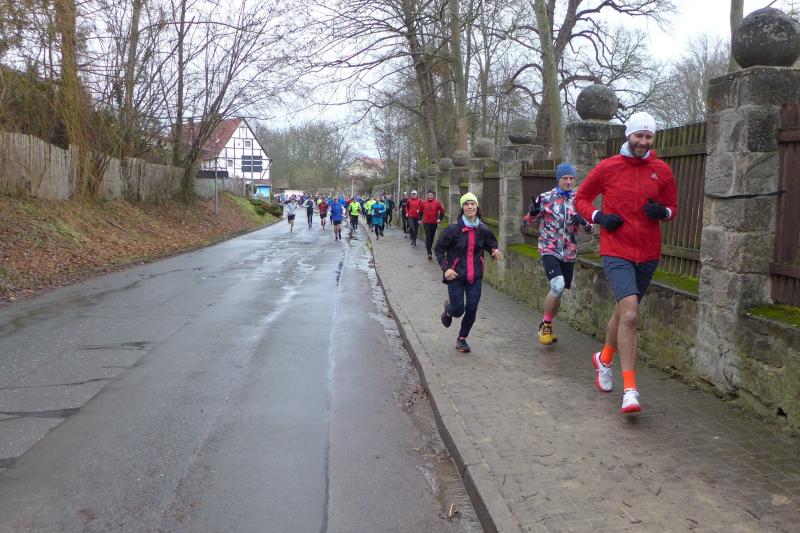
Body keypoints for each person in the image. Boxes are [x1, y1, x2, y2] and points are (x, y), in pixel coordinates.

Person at [575, 111, 678, 414]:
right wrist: (599, 217)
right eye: (638, 136)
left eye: (648, 136)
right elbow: (581, 198)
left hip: (648, 253)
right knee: (631, 314)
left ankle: (604, 359)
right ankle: (630, 389)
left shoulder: (661, 170)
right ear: (628, 136)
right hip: (616, 249)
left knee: (623, 312)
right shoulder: (608, 167)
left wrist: (663, 213)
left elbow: (673, 207)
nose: (643, 142)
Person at [523, 162, 593, 346]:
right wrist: (532, 213)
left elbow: (591, 230)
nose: (569, 182)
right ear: (558, 179)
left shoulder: (580, 200)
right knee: (557, 286)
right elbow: (526, 223)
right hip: (549, 249)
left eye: (571, 178)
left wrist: (584, 222)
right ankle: (545, 325)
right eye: (565, 178)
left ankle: (547, 324)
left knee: (559, 291)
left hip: (569, 253)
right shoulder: (546, 198)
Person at [435, 193, 502, 353]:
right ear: (462, 208)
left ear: (477, 207)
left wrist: (495, 252)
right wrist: (446, 268)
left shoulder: (483, 230)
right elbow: (438, 249)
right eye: (466, 204)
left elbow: (491, 246)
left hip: (475, 276)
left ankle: (462, 339)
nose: (470, 207)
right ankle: (449, 309)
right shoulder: (453, 229)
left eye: (472, 204)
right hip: (456, 275)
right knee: (458, 310)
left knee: (472, 308)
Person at [420, 190, 446, 260]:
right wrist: (419, 219)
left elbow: (442, 211)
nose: (430, 196)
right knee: (428, 237)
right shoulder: (423, 202)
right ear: (427, 195)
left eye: (431, 195)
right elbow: (420, 212)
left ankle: (429, 250)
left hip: (434, 223)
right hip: (426, 222)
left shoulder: (437, 203)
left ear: (433, 196)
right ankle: (429, 253)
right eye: (429, 195)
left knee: (431, 238)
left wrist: (439, 219)